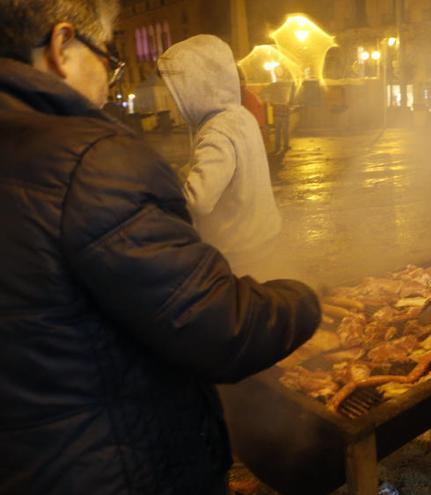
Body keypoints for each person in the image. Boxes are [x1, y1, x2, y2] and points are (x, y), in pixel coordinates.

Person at [0, 1, 321, 493]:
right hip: (112, 462)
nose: (108, 80)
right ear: (61, 47)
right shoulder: (93, 156)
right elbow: (213, 325)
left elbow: (198, 210)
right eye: (108, 57)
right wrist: (304, 297)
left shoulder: (78, 156)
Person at [159, 35, 282, 279]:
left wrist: (167, 190)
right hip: (264, 236)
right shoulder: (240, 116)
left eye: (178, 91)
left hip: (238, 251)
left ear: (196, 87)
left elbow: (199, 201)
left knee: (245, 311)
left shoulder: (217, 131)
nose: (175, 100)